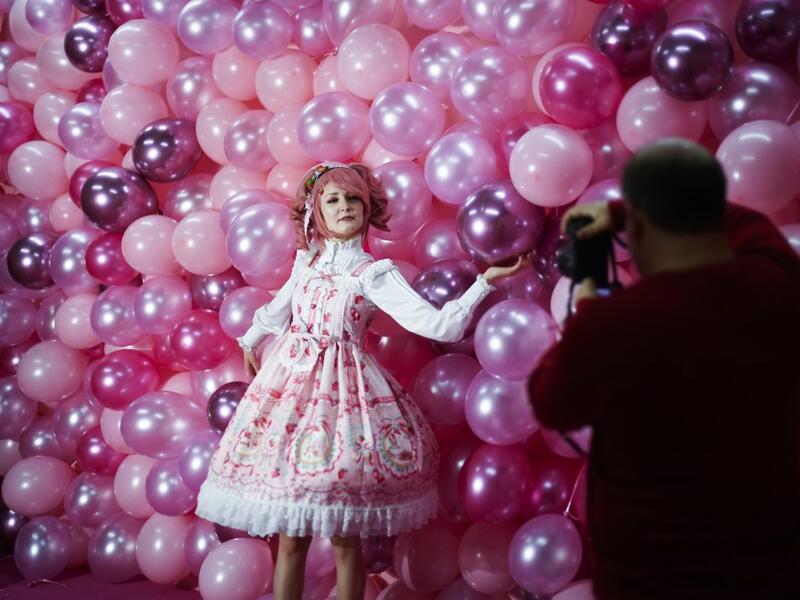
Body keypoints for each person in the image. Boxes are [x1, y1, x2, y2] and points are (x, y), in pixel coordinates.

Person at [196, 162, 528, 600]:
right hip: (290, 393)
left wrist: (483, 283)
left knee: (344, 535)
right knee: (290, 534)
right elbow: (277, 311)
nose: (344, 206)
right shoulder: (307, 264)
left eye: (353, 198)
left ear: (368, 208)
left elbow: (440, 327)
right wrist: (249, 341)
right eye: (332, 200)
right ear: (316, 213)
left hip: (343, 401)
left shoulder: (373, 273)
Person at [529, 139, 800, 599]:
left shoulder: (615, 324)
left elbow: (551, 399)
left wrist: (592, 290)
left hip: (653, 571)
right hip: (768, 560)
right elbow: (752, 228)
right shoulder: (774, 282)